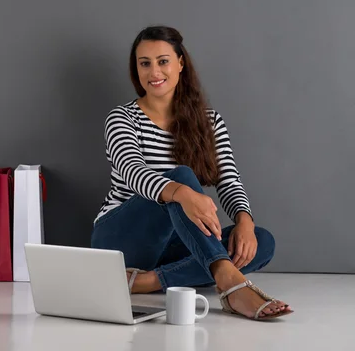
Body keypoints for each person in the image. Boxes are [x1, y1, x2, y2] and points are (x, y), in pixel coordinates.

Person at [91, 26, 293, 320]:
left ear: (180, 64)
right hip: (122, 238)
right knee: (182, 177)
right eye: (144, 63)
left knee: (261, 241)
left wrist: (244, 221)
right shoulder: (122, 118)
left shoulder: (210, 122)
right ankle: (229, 281)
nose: (153, 71)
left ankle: (147, 282)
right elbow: (132, 170)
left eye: (163, 61)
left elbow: (228, 180)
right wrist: (181, 191)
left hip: (175, 241)